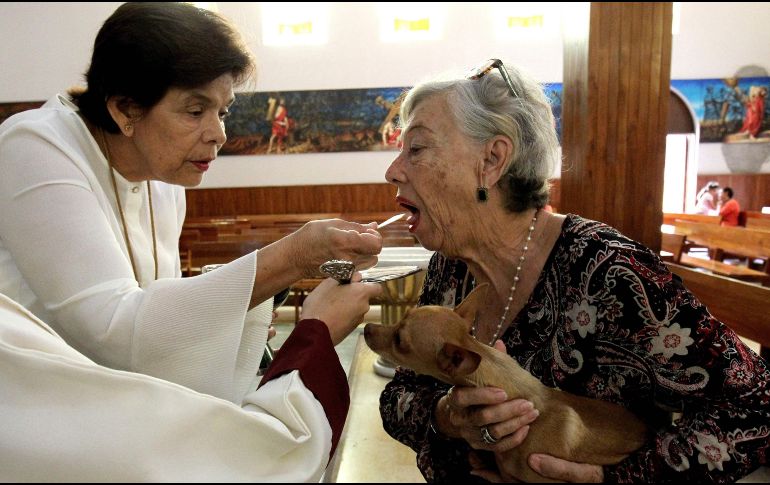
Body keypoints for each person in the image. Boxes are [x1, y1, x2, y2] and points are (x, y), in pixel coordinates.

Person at [0, 3, 383, 479]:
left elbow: (157, 312)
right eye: (195, 110)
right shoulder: (34, 147)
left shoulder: (164, 173)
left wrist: (226, 323)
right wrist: (294, 254)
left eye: (223, 111)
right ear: (124, 108)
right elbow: (113, 332)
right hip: (40, 427)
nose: (219, 133)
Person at [379, 58, 769, 482]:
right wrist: (449, 416)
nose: (392, 171)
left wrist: (612, 479)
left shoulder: (610, 274)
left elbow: (757, 409)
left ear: (492, 160)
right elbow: (398, 397)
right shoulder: (450, 269)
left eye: (415, 148)